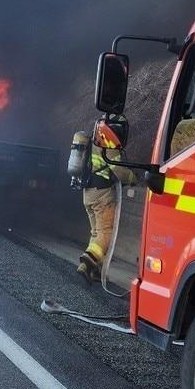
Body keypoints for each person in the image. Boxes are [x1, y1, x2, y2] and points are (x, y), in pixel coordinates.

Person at [79, 116, 136, 283]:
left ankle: (91, 270)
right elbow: (120, 171)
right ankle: (88, 260)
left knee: (96, 233)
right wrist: (134, 178)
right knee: (106, 233)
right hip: (102, 194)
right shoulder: (107, 144)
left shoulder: (91, 142)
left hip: (88, 193)